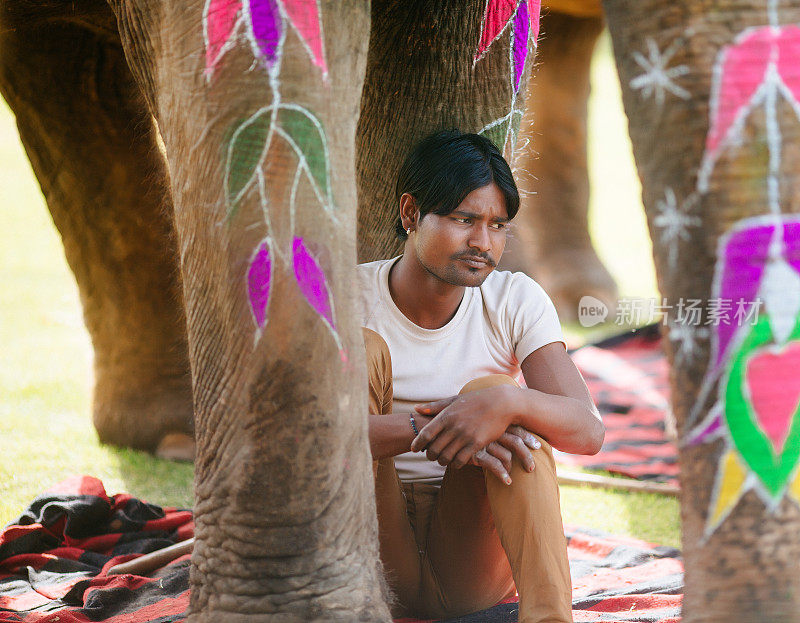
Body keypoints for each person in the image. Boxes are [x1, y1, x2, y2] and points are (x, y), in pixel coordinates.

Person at [358, 129, 604, 623]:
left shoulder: (513, 299)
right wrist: (443, 426)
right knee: (365, 350)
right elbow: (306, 440)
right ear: (410, 214)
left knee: (501, 400)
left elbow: (588, 431)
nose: (482, 242)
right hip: (369, 549)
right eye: (464, 219)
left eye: (498, 225)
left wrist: (503, 406)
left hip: (470, 552)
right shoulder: (347, 298)